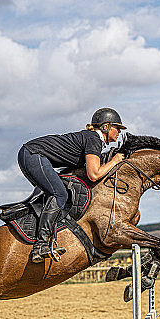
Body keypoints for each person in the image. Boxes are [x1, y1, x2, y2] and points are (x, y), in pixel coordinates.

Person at [18, 107, 127, 263]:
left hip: (31, 154)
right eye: (117, 128)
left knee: (58, 193)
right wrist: (115, 161)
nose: (119, 132)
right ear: (106, 127)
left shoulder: (92, 140)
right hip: (33, 155)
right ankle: (40, 245)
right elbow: (94, 174)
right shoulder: (93, 139)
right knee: (60, 194)